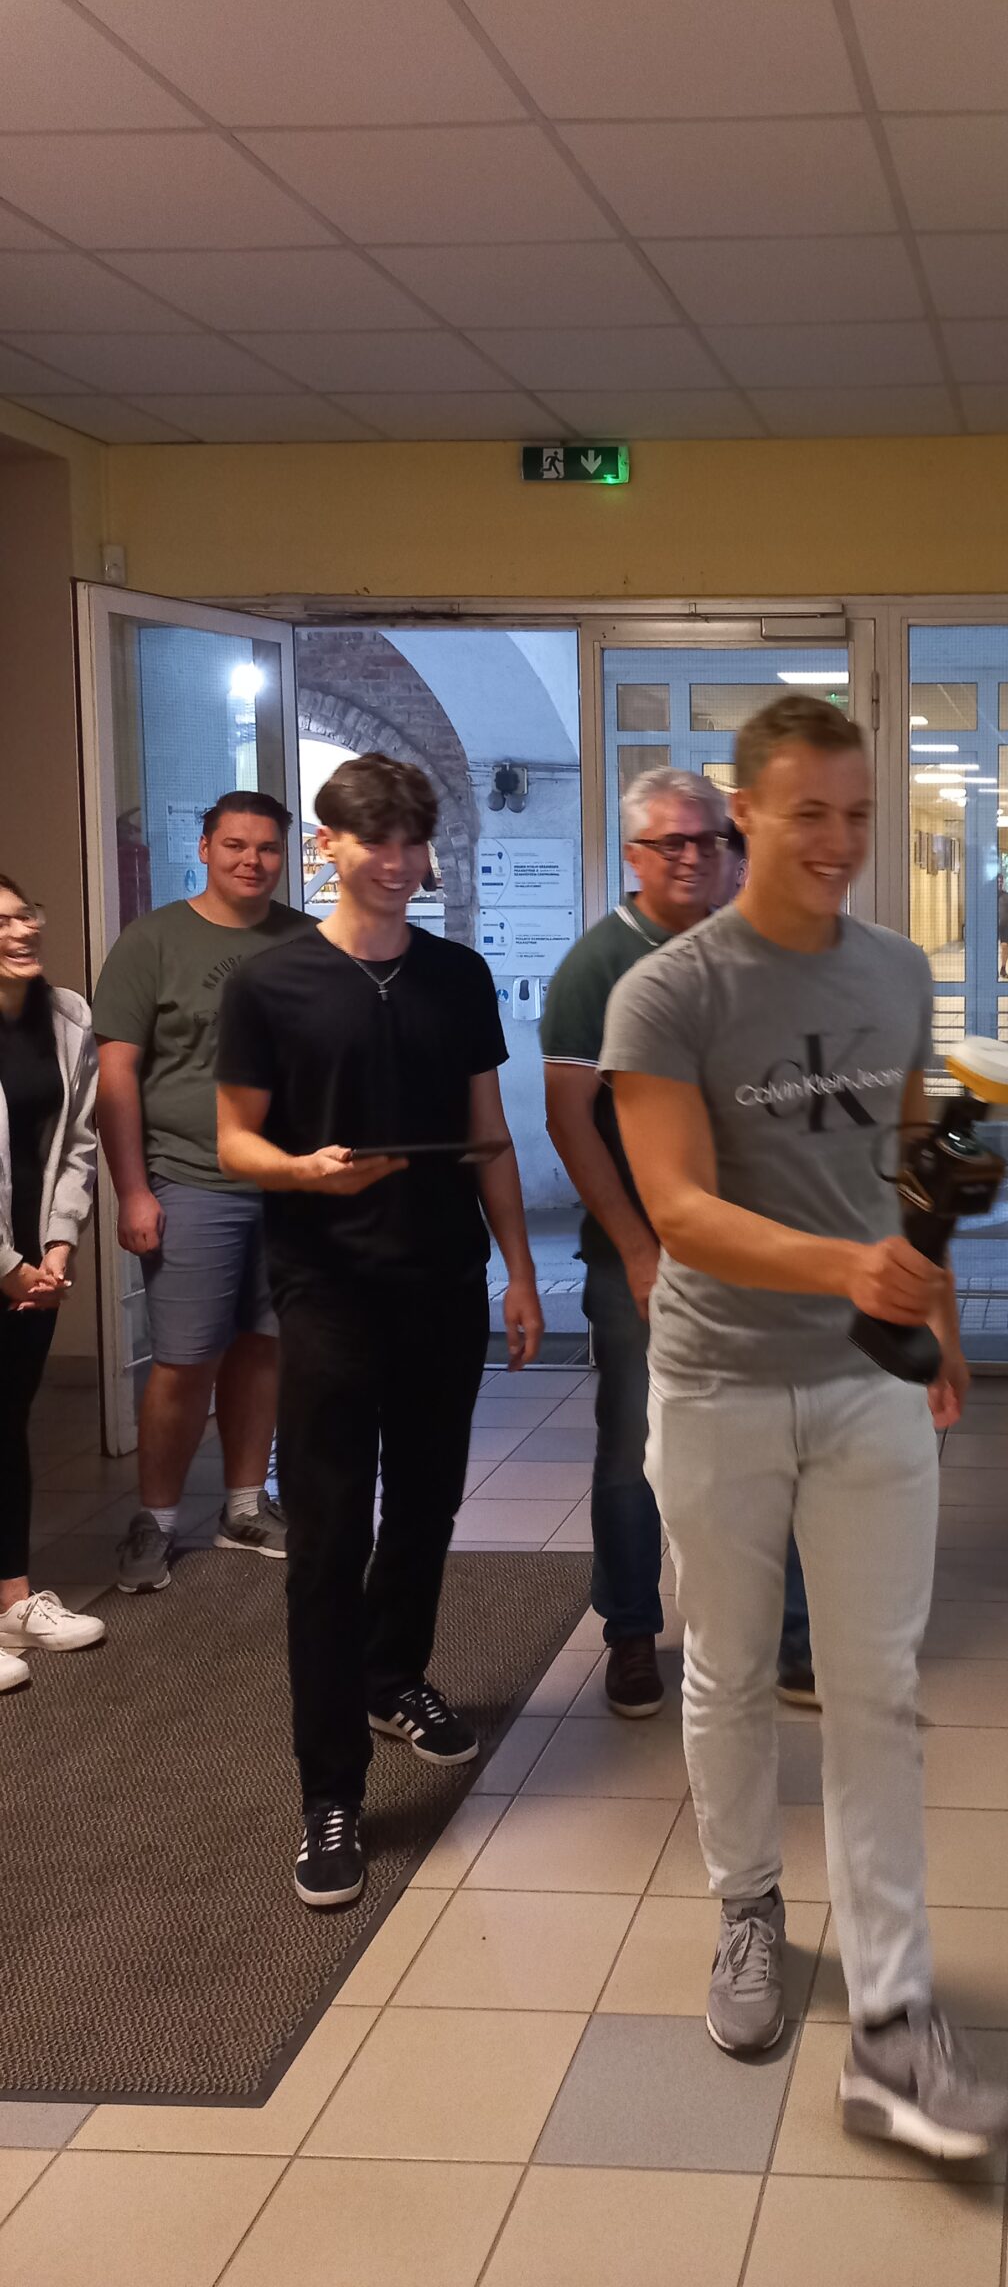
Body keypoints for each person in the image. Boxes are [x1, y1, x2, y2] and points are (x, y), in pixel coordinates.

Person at [602, 693, 1008, 2160]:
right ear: (745, 816)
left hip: (865, 1385)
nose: (838, 841)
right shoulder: (668, 993)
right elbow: (677, 1207)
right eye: (809, 815)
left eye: (857, 815)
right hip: (718, 1381)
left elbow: (901, 1153)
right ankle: (746, 1911)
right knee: (724, 1670)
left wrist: (933, 1315)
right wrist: (848, 1268)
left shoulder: (897, 970)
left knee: (876, 1689)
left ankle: (894, 2014)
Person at [215, 755, 544, 1909]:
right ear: (330, 846)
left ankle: (393, 1675)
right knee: (324, 1541)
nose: (397, 862)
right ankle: (330, 1790)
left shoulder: (457, 974)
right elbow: (235, 1142)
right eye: (375, 841)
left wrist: (518, 1270)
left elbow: (488, 1130)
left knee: (427, 1505)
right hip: (328, 1291)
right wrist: (304, 1172)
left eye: (411, 841)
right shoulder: (271, 983)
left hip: (443, 1281)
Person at [542, 768, 812, 1720]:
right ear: (634, 854)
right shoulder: (598, 966)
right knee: (637, 1450)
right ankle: (629, 1631)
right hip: (645, 1258)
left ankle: (790, 1637)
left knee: (774, 1442)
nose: (694, 857)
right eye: (672, 843)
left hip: (756, 1251)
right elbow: (569, 1119)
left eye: (709, 840)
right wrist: (636, 1248)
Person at [92, 791, 305, 1593]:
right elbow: (117, 1075)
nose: (253, 861)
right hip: (188, 1179)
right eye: (236, 845)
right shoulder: (152, 942)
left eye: (268, 848)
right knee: (185, 1360)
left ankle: (244, 1506)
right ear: (206, 847)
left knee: (264, 1347)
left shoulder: (306, 941)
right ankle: (156, 1519)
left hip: (285, 1184)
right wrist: (133, 1191)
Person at [0, 875, 106, 1688]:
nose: (21, 931)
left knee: (7, 1426)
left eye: (24, 915)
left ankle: (13, 1603)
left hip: (35, 1265)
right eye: (1, 923)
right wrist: (7, 1269)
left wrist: (58, 1247)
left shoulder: (67, 1014)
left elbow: (78, 1143)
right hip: (9, 1268)